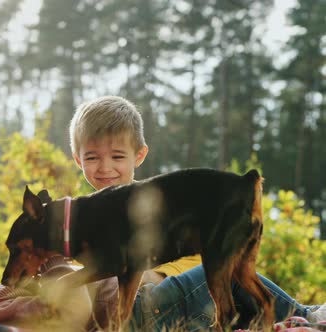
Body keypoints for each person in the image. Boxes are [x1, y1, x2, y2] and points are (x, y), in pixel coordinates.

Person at [68, 95, 324, 330]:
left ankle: (298, 319)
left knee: (229, 282)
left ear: (139, 155)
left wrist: (152, 272)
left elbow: (197, 253)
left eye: (117, 156)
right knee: (227, 273)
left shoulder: (155, 203)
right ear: (78, 159)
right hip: (146, 308)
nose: (105, 167)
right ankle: (305, 314)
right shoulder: (79, 219)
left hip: (174, 299)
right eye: (92, 158)